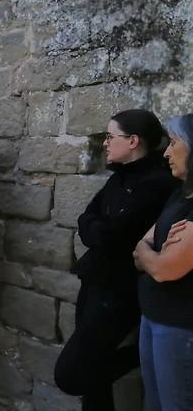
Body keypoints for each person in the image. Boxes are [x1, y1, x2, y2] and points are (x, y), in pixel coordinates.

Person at [54, 109, 177, 410]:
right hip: (95, 281)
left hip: (118, 291)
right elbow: (86, 218)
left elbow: (110, 236)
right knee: (94, 384)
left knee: (73, 374)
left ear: (133, 141)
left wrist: (96, 230)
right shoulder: (120, 177)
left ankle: (142, 354)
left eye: (111, 136)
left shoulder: (157, 183)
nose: (105, 143)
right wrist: (97, 229)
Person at [133, 113, 193, 411]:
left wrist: (153, 257)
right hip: (154, 318)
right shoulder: (180, 197)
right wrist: (155, 253)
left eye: (173, 143)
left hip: (181, 328)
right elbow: (139, 250)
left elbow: (165, 270)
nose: (166, 152)